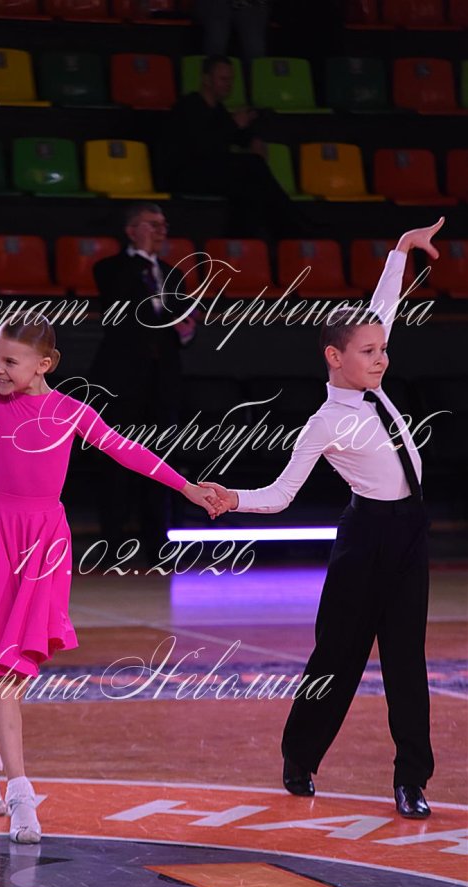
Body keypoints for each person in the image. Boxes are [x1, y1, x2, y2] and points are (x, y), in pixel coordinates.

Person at [0, 317, 220, 842]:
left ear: (45, 364)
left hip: (45, 540)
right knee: (1, 665)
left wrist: (185, 486)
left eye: (10, 361)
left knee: (16, 663)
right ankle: (20, 791)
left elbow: (126, 450)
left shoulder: (71, 411)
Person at [202, 217, 445, 819]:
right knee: (337, 659)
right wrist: (234, 498)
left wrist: (400, 249)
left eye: (383, 349)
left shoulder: (373, 379)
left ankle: (411, 780)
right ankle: (300, 755)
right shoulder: (324, 422)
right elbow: (281, 494)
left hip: (410, 533)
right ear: (335, 357)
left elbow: (382, 307)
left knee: (407, 662)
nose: (382, 358)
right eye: (369, 351)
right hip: (366, 539)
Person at [91, 202, 197, 563]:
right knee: (116, 462)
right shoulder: (110, 268)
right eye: (152, 224)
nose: (161, 230)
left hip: (162, 379)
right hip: (121, 379)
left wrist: (186, 330)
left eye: (163, 224)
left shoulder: (173, 274)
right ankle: (111, 544)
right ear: (132, 230)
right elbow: (125, 312)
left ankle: (157, 544)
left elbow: (182, 323)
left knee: (160, 461)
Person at [164, 55, 309, 237]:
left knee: (250, 185)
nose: (229, 84)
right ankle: (295, 228)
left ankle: (247, 238)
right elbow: (200, 147)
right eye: (223, 79)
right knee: (252, 167)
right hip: (185, 174)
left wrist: (252, 139)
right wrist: (233, 124)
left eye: (231, 80)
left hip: (209, 173)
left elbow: (236, 136)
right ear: (206, 79)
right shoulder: (189, 106)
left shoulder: (218, 110)